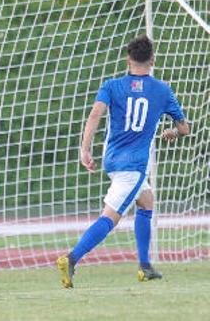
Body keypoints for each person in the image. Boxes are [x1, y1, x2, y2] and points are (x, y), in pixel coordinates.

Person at [57, 35, 189, 288]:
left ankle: (145, 266)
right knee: (111, 218)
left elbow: (95, 113)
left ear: (128, 59)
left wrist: (84, 149)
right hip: (134, 166)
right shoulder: (162, 90)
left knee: (146, 201)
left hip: (113, 159)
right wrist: (172, 131)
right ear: (152, 60)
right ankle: (72, 258)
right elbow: (184, 128)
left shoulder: (111, 85)